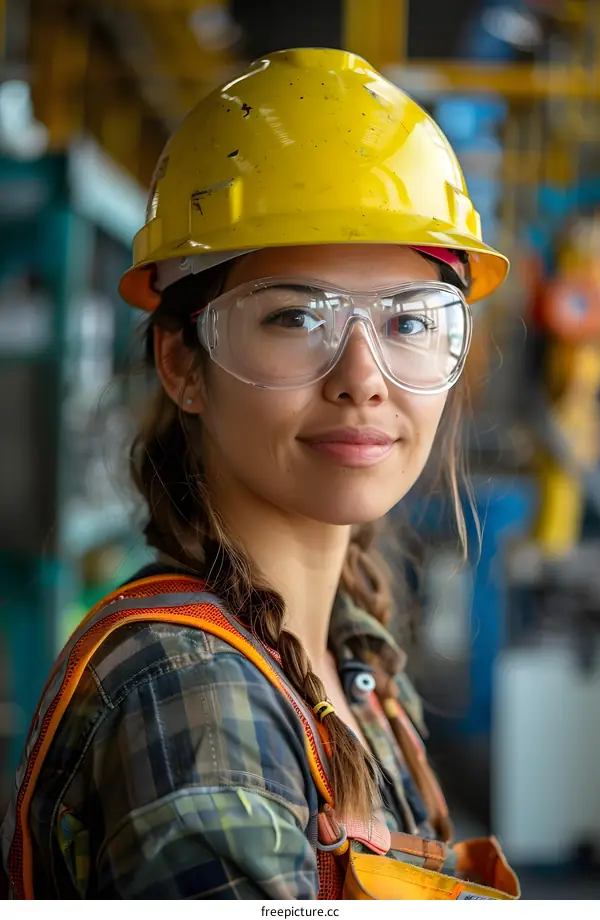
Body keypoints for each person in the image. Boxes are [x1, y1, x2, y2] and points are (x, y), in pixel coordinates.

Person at [1, 48, 513, 900]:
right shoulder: (191, 697)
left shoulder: (354, 659)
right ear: (182, 362)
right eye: (295, 315)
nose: (363, 374)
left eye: (412, 321)